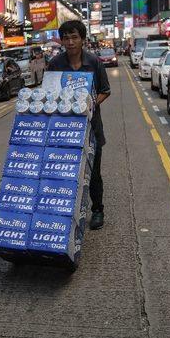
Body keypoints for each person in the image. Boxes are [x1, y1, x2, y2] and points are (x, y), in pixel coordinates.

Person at [46, 20, 111, 230]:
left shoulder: (94, 62)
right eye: (66, 37)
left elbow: (105, 90)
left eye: (74, 37)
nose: (70, 41)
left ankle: (97, 210)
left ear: (82, 39)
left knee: (93, 172)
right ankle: (65, 212)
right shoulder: (55, 64)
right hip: (63, 130)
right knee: (65, 172)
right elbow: (49, 94)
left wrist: (88, 106)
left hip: (91, 128)